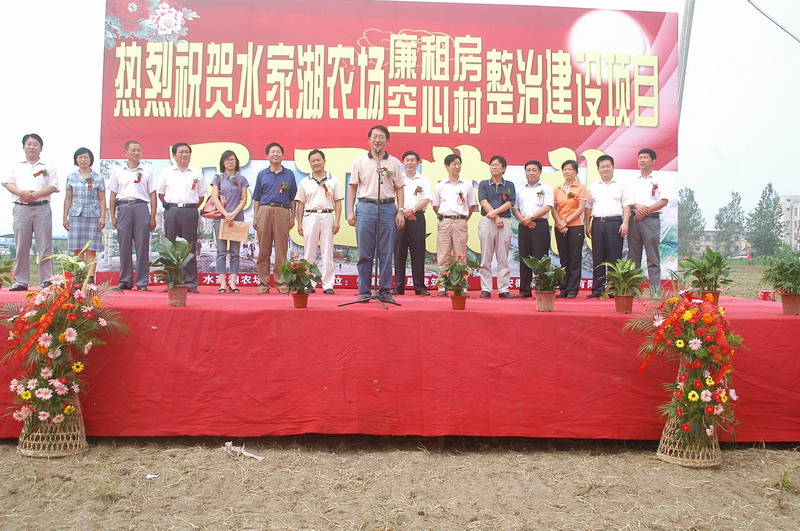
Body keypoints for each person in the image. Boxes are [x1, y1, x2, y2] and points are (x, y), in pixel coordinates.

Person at [346, 125, 406, 303]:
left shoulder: (394, 162)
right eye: (374, 136)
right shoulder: (359, 161)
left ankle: (385, 291)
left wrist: (400, 211)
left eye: (381, 137)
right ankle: (364, 292)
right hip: (365, 207)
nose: (377, 140)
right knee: (364, 252)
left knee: (386, 253)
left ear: (387, 140)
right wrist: (350, 211)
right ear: (369, 140)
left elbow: (399, 188)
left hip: (388, 208)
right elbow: (353, 187)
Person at [2, 134, 59, 291]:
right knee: (21, 245)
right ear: (24, 147)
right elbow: (7, 183)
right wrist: (22, 193)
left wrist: (34, 195)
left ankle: (47, 279)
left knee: (45, 245)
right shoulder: (15, 165)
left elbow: (53, 186)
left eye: (35, 144)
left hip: (42, 207)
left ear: (41, 148)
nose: (32, 147)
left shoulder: (48, 166)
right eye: (29, 144)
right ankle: (21, 280)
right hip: (21, 208)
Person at [108, 140, 157, 291]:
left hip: (141, 207)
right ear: (125, 152)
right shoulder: (118, 171)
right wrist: (112, 216)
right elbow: (112, 195)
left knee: (142, 246)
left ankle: (142, 282)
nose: (136, 153)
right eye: (133, 150)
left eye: (139, 150)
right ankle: (125, 280)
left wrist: (153, 216)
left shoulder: (147, 171)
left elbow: (153, 195)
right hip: (123, 208)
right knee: (124, 246)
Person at [157, 142, 206, 293]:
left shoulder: (196, 174)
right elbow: (161, 193)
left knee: (189, 247)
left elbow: (201, 196)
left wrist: (190, 208)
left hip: (190, 211)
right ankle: (171, 281)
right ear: (174, 155)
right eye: (181, 152)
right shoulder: (167, 172)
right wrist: (171, 206)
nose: (184, 155)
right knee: (170, 246)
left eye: (187, 152)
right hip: (172, 210)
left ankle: (191, 282)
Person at [584, 154, 632, 298]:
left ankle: (613, 289)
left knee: (614, 257)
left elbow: (627, 205)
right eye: (602, 167)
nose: (605, 169)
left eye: (608, 166)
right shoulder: (593, 186)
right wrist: (587, 225)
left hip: (615, 223)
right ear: (598, 169)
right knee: (598, 257)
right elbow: (588, 207)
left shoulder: (621, 185)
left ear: (613, 167)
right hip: (597, 223)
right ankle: (597, 290)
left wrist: (625, 223)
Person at [252, 142, 297, 294]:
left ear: (283, 156)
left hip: (283, 211)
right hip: (264, 210)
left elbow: (293, 198)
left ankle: (281, 282)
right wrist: (256, 217)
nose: (275, 154)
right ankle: (263, 284)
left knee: (281, 250)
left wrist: (292, 217)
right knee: (263, 250)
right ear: (267, 156)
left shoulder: (289, 174)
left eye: (278, 152)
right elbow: (257, 198)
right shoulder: (262, 174)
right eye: (272, 152)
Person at [296, 149, 343, 294]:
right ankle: (308, 283)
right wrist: (299, 223)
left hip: (327, 216)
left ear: (324, 161)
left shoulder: (333, 180)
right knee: (309, 252)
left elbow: (338, 202)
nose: (316, 163)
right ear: (309, 163)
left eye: (318, 160)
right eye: (313, 161)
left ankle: (328, 284)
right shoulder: (305, 182)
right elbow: (301, 204)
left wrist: (337, 220)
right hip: (310, 216)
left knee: (327, 251)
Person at [431, 153, 478, 296]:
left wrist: (462, 219)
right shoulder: (440, 185)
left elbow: (471, 206)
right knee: (443, 254)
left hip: (460, 221)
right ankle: (443, 286)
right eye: (453, 164)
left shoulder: (466, 185)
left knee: (461, 255)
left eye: (459, 164)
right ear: (447, 166)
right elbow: (435, 206)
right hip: (444, 221)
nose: (457, 166)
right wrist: (446, 217)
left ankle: (461, 286)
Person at [628, 148, 671, 291]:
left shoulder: (660, 179)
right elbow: (627, 201)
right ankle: (633, 290)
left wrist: (646, 210)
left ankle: (655, 290)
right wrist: (637, 207)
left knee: (652, 256)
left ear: (653, 161)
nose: (642, 160)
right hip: (634, 219)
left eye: (645, 157)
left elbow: (664, 201)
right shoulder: (632, 181)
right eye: (640, 157)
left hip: (651, 219)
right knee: (633, 257)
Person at [392, 150, 431, 296]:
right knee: (399, 252)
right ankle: (398, 287)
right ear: (402, 163)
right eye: (407, 160)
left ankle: (420, 287)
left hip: (417, 217)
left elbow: (426, 199)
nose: (409, 163)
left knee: (418, 252)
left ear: (418, 163)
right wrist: (401, 211)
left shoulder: (423, 180)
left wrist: (412, 210)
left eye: (412, 160)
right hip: (399, 216)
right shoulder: (397, 178)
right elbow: (393, 197)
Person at [512, 160, 554, 298]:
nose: (531, 173)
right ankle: (525, 290)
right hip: (524, 225)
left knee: (541, 258)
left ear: (540, 172)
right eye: (528, 170)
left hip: (540, 225)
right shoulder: (520, 189)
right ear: (525, 172)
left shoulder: (546, 188)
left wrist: (531, 217)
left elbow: (547, 207)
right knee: (524, 257)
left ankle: (542, 288)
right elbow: (515, 208)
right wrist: (523, 220)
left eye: (534, 170)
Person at [63, 148, 106, 280]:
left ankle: (90, 278)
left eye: (85, 157)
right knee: (77, 249)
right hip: (76, 215)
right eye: (80, 157)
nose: (83, 160)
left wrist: (103, 216)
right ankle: (78, 277)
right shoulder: (71, 177)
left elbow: (102, 199)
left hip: (93, 215)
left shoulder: (98, 178)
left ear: (90, 159)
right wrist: (65, 216)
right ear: (76, 160)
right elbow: (68, 198)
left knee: (91, 249)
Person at [210, 150, 249, 293]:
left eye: (233, 159)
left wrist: (233, 214)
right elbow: (215, 198)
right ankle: (222, 283)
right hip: (221, 219)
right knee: (221, 252)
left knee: (235, 252)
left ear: (236, 162)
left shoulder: (242, 179)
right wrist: (225, 213)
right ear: (223, 162)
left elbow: (243, 200)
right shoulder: (218, 178)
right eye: (227, 160)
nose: (230, 162)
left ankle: (232, 283)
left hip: (236, 218)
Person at [477, 155, 516, 299]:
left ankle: (503, 288)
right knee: (485, 256)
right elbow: (483, 201)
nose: (494, 167)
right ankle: (486, 288)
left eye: (497, 165)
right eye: (492, 165)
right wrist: (496, 217)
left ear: (503, 168)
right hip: (488, 220)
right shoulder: (484, 184)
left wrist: (496, 214)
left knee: (503, 257)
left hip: (504, 222)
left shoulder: (509, 185)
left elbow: (509, 203)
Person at [552, 159, 587, 299]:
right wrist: (559, 222)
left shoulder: (581, 188)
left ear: (576, 172)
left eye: (570, 169)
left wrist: (566, 221)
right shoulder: (557, 189)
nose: (567, 172)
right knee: (564, 258)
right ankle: (563, 289)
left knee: (574, 258)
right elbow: (553, 209)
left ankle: (573, 289)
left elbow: (581, 209)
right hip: (560, 227)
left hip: (575, 226)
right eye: (565, 169)